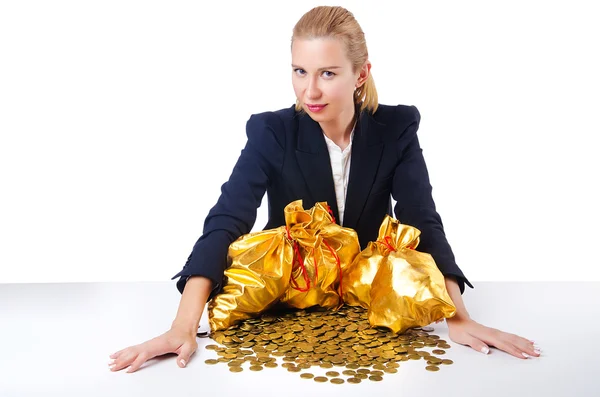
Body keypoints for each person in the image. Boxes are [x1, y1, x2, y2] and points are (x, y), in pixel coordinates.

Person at [108, 6, 541, 374]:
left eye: (327, 73)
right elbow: (227, 219)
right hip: (290, 290)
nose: (309, 90)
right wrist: (183, 325)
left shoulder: (397, 128)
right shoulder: (271, 131)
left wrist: (458, 318)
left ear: (361, 74)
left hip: (366, 294)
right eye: (300, 71)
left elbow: (421, 217)